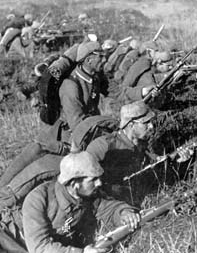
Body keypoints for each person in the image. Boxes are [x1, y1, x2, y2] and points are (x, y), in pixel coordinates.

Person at [0, 42, 108, 188]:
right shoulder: (71, 86)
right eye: (101, 57)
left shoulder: (93, 77)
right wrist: (105, 130)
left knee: (43, 167)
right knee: (29, 165)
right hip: (57, 135)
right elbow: (78, 124)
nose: (105, 60)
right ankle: (5, 193)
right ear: (89, 60)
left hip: (68, 134)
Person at [0, 151, 140, 253]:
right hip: (12, 240)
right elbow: (40, 248)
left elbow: (107, 207)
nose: (99, 183)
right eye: (93, 179)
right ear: (74, 184)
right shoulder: (37, 200)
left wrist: (123, 212)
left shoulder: (87, 194)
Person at [71, 100, 157, 202]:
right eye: (145, 123)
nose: (151, 126)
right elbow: (82, 179)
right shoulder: (104, 146)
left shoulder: (142, 143)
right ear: (131, 125)